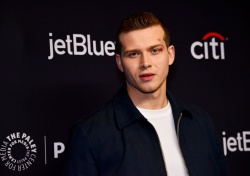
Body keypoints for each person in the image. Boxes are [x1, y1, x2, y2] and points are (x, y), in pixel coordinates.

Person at [61, 12, 231, 176]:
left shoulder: (200, 122)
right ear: (120, 63)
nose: (145, 63)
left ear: (170, 55)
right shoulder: (91, 134)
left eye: (155, 50)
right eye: (134, 54)